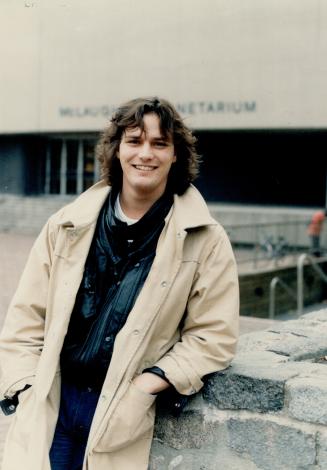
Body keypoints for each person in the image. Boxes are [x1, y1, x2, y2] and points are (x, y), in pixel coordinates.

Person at [0, 97, 239, 470]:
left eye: (160, 143)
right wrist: (27, 387)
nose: (146, 154)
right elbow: (26, 319)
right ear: (116, 149)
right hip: (53, 400)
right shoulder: (65, 225)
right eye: (134, 141)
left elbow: (213, 337)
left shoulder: (205, 239)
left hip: (123, 408)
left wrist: (146, 386)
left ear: (176, 155)